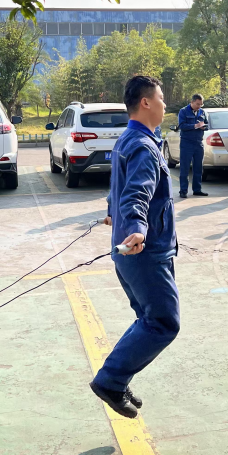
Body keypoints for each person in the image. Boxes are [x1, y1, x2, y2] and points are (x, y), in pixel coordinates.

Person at [89, 75, 179, 419]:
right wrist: (138, 228)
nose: (164, 104)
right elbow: (137, 192)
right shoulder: (143, 146)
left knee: (148, 318)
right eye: (161, 98)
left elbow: (119, 189)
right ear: (146, 102)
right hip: (144, 251)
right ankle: (110, 380)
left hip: (130, 250)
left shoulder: (129, 139)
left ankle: (118, 378)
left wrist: (114, 213)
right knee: (164, 322)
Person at [177, 93, 208, 198]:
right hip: (187, 143)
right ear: (192, 102)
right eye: (197, 104)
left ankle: (197, 189)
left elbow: (207, 124)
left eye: (201, 104)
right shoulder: (183, 111)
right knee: (185, 168)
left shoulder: (202, 112)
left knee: (198, 167)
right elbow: (182, 125)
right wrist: (195, 126)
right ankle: (183, 191)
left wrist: (204, 127)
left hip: (198, 142)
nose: (199, 106)